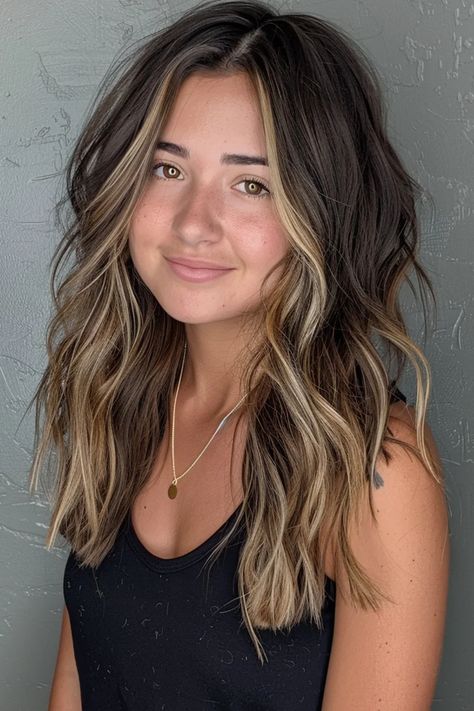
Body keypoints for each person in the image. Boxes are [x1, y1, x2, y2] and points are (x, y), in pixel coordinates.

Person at [28, 1, 450, 709]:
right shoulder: (120, 394)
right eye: (167, 169)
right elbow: (79, 681)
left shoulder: (375, 470)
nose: (195, 223)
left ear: (320, 210)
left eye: (251, 183)